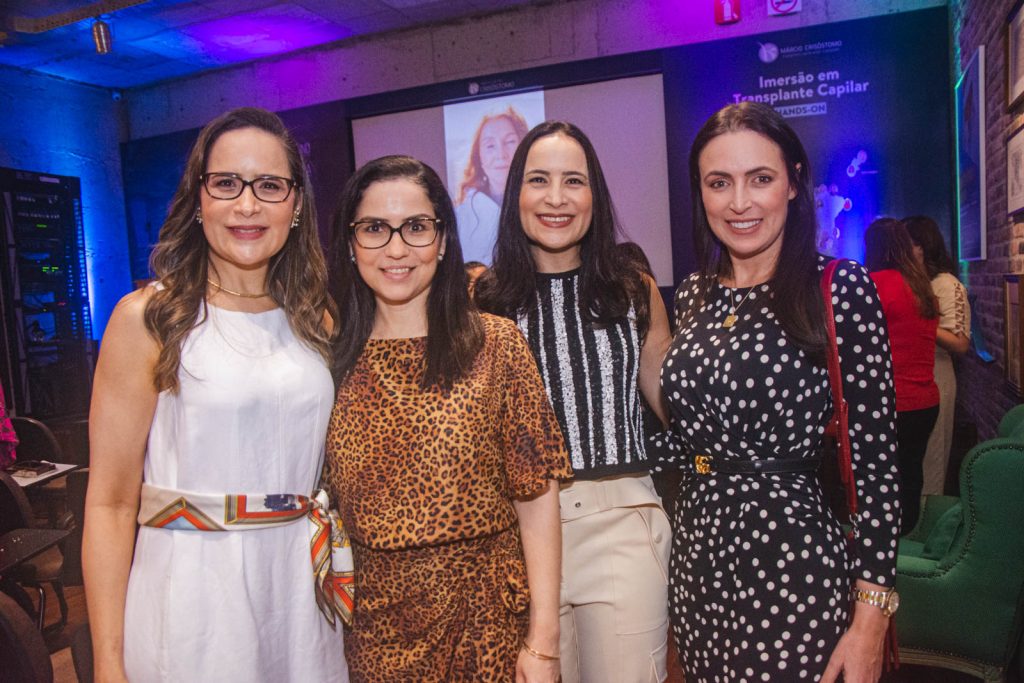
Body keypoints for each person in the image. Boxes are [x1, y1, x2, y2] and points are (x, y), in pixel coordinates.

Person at [83, 107, 348, 681]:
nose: (247, 205)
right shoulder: (149, 319)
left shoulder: (316, 321)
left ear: (296, 205)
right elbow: (109, 503)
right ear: (198, 198)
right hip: (192, 600)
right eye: (226, 183)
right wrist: (108, 660)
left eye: (269, 186)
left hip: (300, 596)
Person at [662, 101, 900, 682]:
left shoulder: (838, 287)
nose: (739, 202)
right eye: (719, 183)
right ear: (701, 192)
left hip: (792, 564)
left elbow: (876, 464)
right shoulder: (694, 294)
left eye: (760, 179)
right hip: (698, 563)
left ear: (794, 183)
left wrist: (870, 619)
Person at [323, 154, 571, 682]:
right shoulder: (326, 361)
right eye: (374, 229)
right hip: (375, 636)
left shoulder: (496, 345)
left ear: (442, 240)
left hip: (489, 626)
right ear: (350, 243)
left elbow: (537, 501)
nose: (396, 248)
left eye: (415, 227)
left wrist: (543, 641)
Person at [475, 121, 674, 683]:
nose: (556, 198)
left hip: (622, 525)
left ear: (595, 196)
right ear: (515, 194)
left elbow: (672, 404)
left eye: (574, 181)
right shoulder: (484, 302)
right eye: (539, 180)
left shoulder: (633, 288)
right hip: (515, 537)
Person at [865, 217, 940, 531]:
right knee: (911, 474)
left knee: (879, 479)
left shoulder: (876, 284)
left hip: (890, 402)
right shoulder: (922, 285)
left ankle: (883, 552)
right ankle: (907, 539)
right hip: (925, 400)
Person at [904, 215, 971, 495]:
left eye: (908, 244)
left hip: (937, 376)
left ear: (922, 246)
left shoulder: (946, 284)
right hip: (913, 379)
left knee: (933, 456)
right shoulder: (915, 282)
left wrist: (920, 321)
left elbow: (960, 343)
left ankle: (929, 526)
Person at [455, 107, 529, 264]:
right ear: (478, 156)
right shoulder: (460, 217)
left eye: (509, 142)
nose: (501, 154)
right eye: (490, 146)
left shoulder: (542, 204)